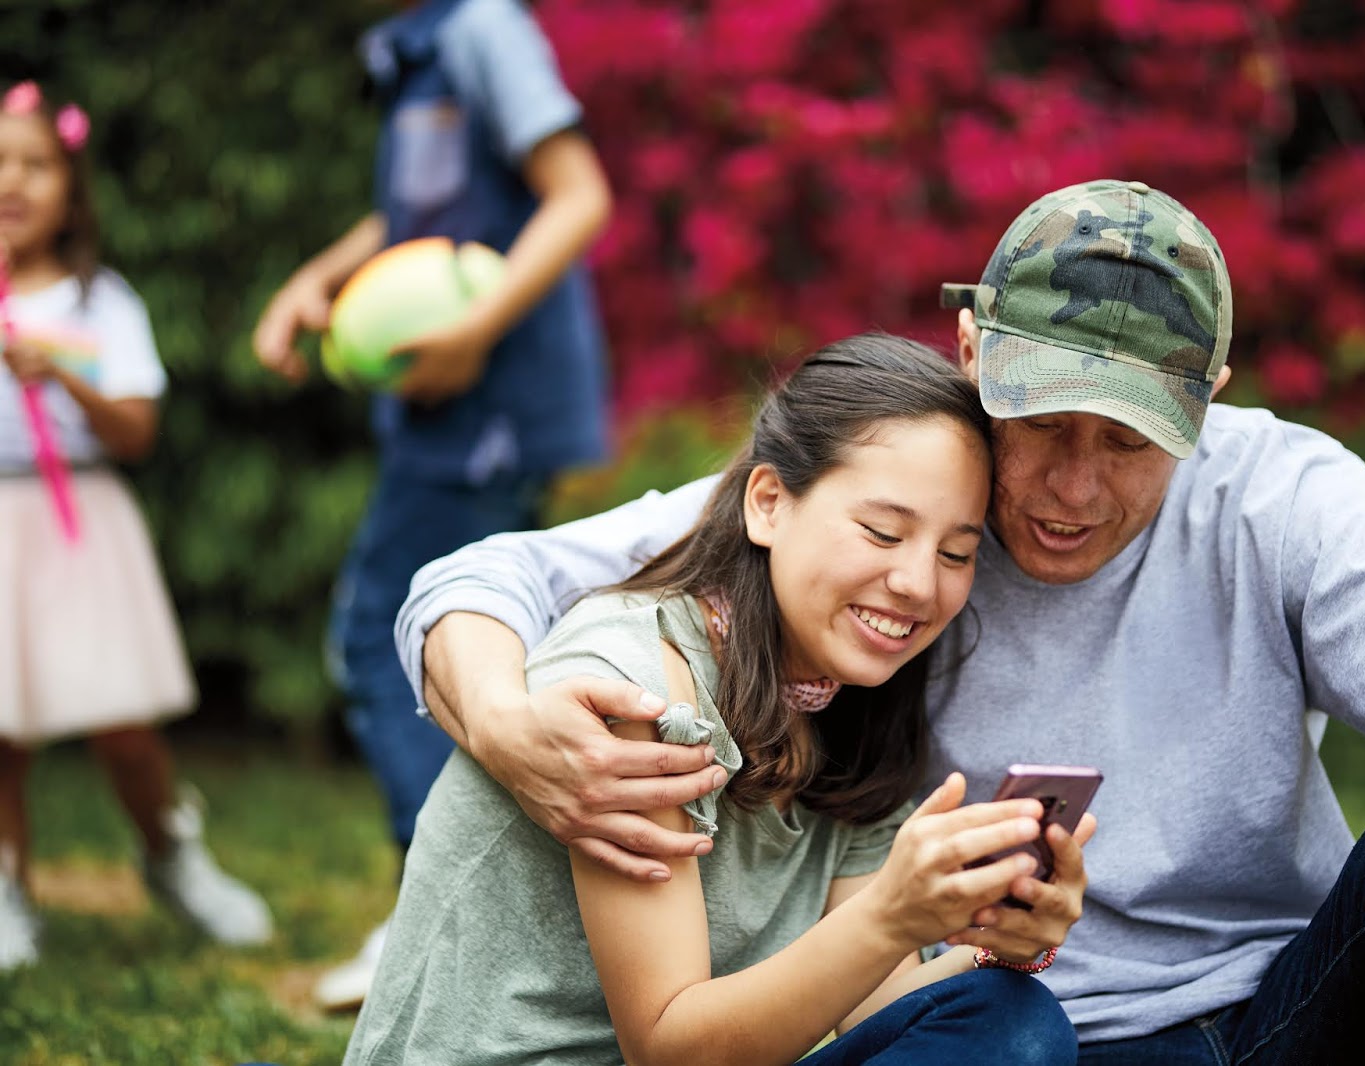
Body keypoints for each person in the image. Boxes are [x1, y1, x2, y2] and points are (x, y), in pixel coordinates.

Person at [398, 179, 1365, 1064]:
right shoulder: (888, 497)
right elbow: (492, 576)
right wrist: (506, 722)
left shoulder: (1283, 499)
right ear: (972, 354)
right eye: (1040, 424)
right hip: (1035, 1034)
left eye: (1126, 439)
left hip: (1285, 1008)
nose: (1074, 488)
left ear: (1207, 398)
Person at [344, 335, 1085, 1065]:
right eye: (882, 532)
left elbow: (878, 1017)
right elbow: (669, 1049)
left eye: (955, 554)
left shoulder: (857, 705)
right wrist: (891, 915)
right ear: (768, 503)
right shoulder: (634, 683)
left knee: (1010, 1021)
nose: (920, 583)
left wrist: (998, 936)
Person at [250, 0, 612, 1010]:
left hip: (483, 417)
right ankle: (472, 909)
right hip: (446, 419)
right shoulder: (414, 47)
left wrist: (469, 335)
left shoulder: (480, 28)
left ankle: (433, 911)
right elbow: (425, 218)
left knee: (383, 637)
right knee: (451, 653)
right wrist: (321, 277)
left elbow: (577, 196)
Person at [0, 80, 273, 971]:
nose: (13, 182)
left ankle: (170, 853)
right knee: (4, 729)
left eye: (35, 165)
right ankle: (8, 887)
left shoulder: (100, 304)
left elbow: (137, 430)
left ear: (71, 190)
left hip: (81, 522)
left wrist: (62, 378)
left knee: (121, 719)